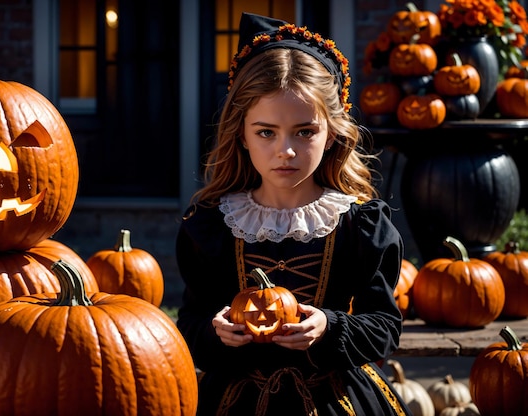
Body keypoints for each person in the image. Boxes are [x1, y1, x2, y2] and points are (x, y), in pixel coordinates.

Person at [175, 12, 412, 416]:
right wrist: (217, 335)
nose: (286, 150)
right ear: (242, 134)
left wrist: (330, 327)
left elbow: (385, 326)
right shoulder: (212, 224)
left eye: (305, 132)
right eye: (266, 132)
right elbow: (190, 324)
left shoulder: (360, 223)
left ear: (332, 132)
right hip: (234, 401)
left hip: (337, 399)